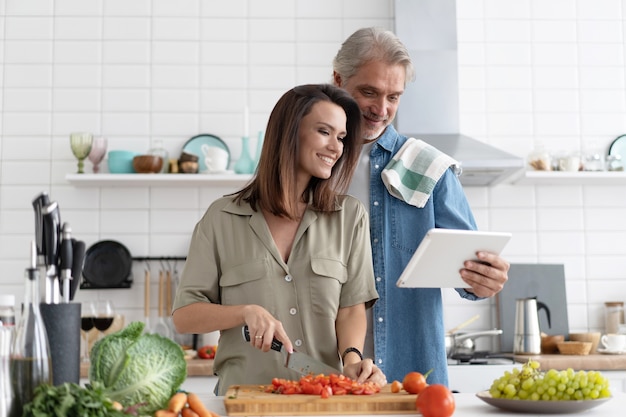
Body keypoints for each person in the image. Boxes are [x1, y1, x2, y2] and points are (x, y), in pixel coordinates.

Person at [172, 84, 386, 395]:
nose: (335, 147)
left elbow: (351, 308)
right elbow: (185, 316)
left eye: (340, 137)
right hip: (244, 403)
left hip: (320, 402)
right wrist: (245, 312)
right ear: (289, 133)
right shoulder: (221, 218)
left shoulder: (350, 217)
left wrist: (352, 357)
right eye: (324, 132)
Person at [331, 27, 510, 386]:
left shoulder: (429, 168)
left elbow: (470, 273)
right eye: (369, 92)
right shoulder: (313, 164)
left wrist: (486, 280)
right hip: (322, 370)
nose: (382, 110)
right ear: (338, 80)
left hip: (408, 371)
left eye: (393, 97)